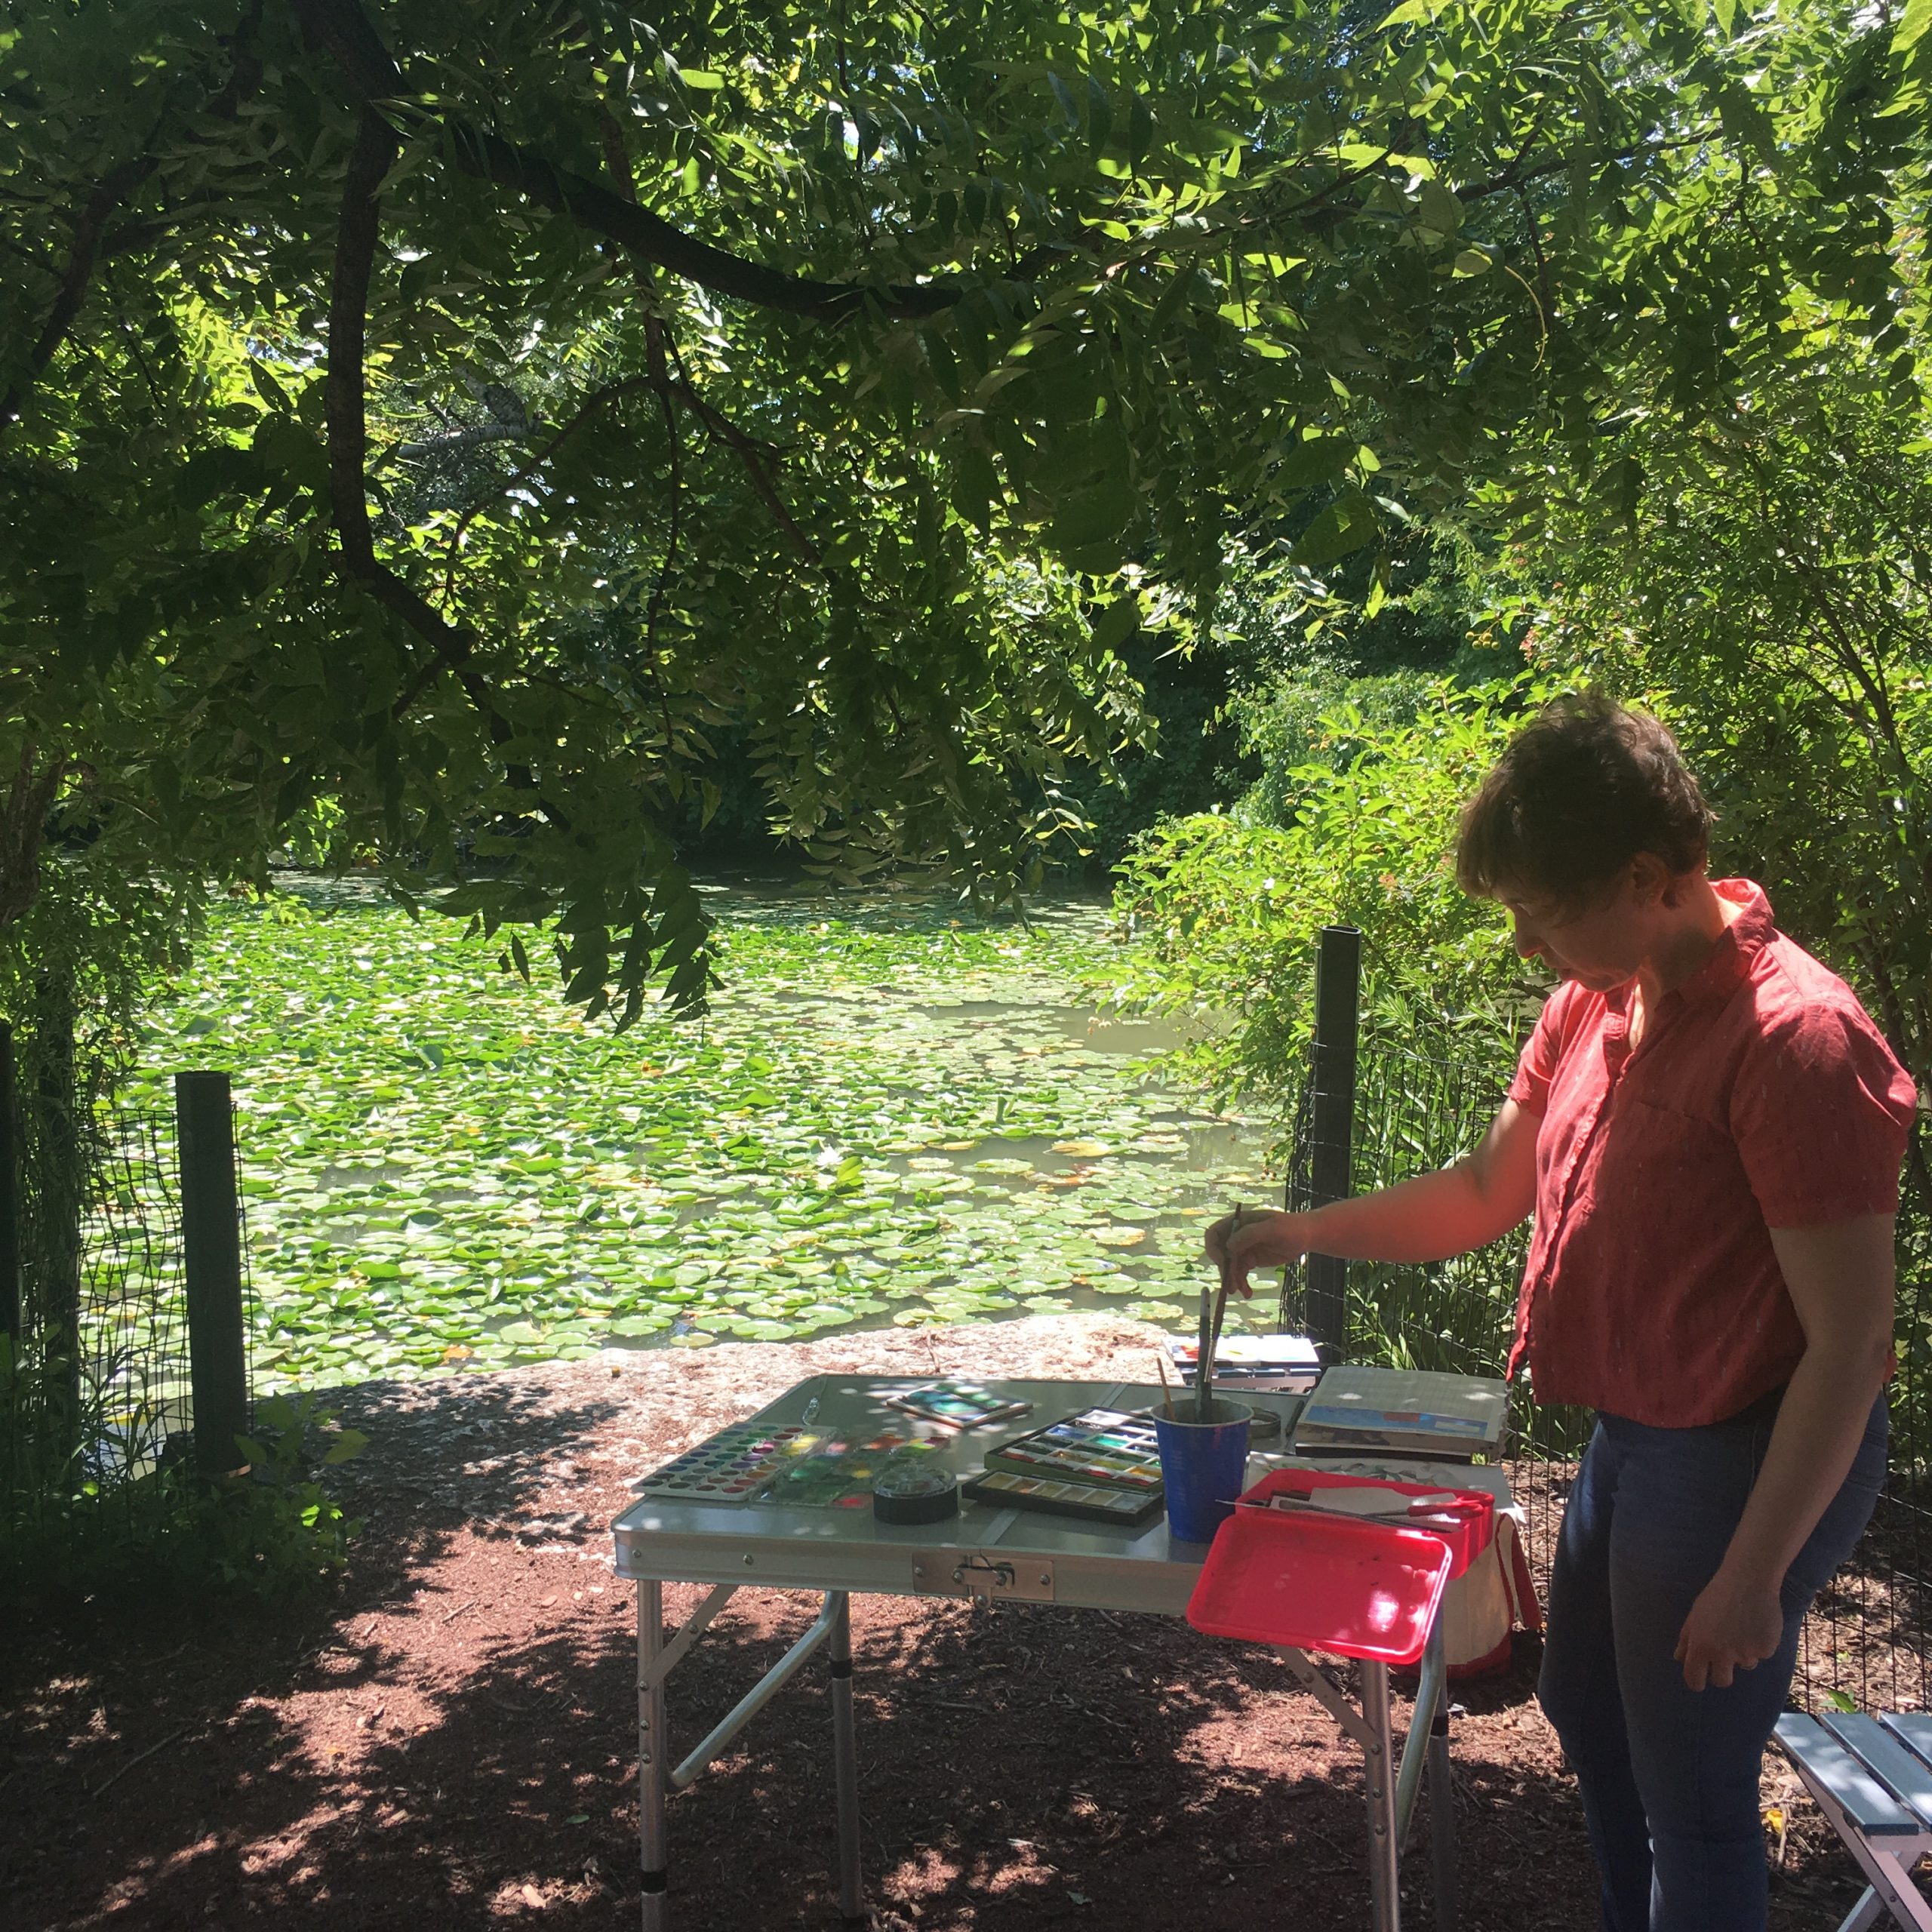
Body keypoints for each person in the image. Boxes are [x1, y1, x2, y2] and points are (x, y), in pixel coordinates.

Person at [1207, 693, 1918, 1932]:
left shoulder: (1796, 1039)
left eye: (1539, 911)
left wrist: (1752, 1573)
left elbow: (1853, 1347)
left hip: (1745, 1454)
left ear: (1644, 876)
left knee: (1694, 1791)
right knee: (1586, 1711)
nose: (1525, 944)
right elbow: (1485, 1191)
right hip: (1636, 1436)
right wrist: (1300, 1231)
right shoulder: (1597, 999)